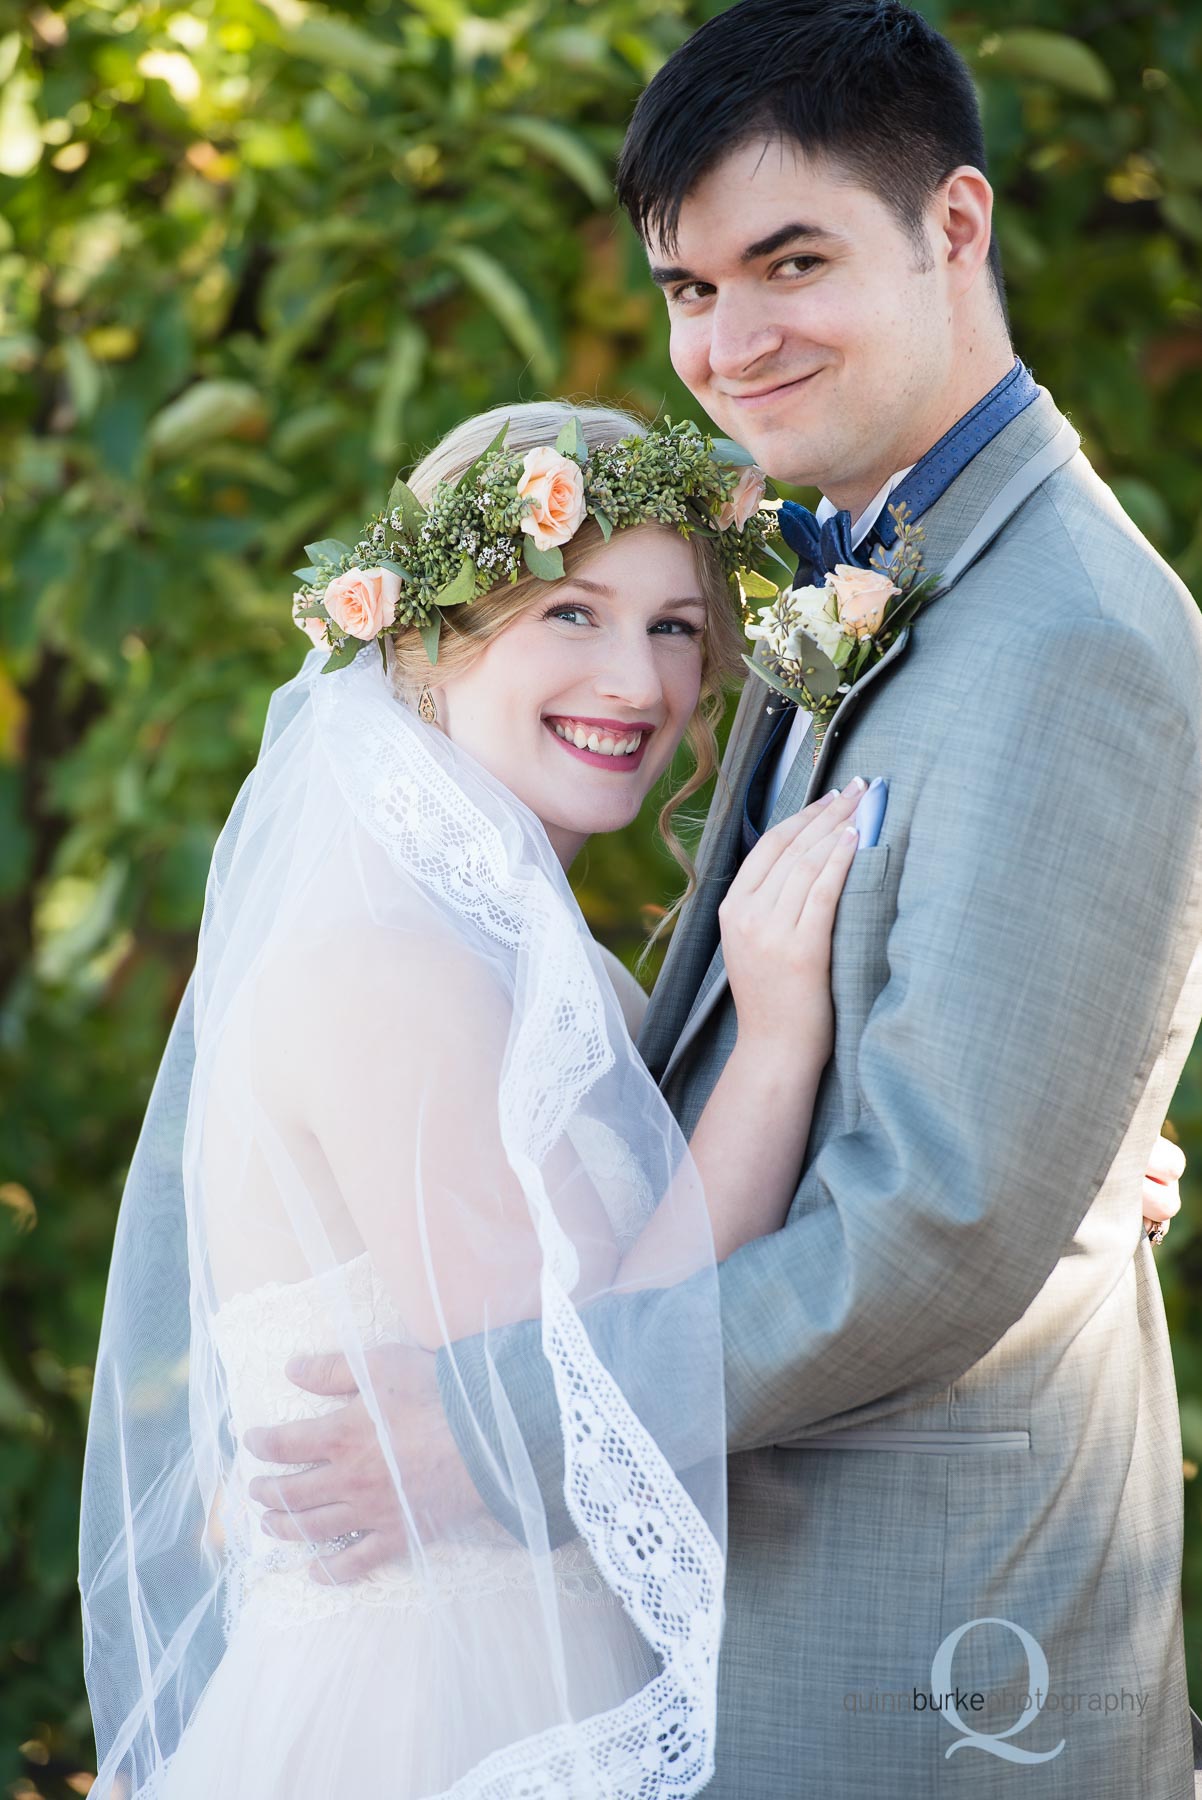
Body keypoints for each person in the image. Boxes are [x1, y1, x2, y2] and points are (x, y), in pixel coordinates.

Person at [246, 4, 1202, 1796]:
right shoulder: (861, 570)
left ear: (956, 229)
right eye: (690, 286)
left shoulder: (1066, 634)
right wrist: (1057, 1174)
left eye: (792, 260)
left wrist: (492, 1426)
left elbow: (933, 1226)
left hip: (918, 1658)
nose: (731, 338)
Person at [79, 399, 895, 1799]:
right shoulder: (385, 968)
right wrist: (771, 1045)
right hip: (432, 1723)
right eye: (569, 615)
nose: (635, 683)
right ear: (421, 643)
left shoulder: (538, 964)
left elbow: (710, 1237)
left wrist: (1053, 1177)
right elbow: (583, 1411)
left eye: (673, 627)